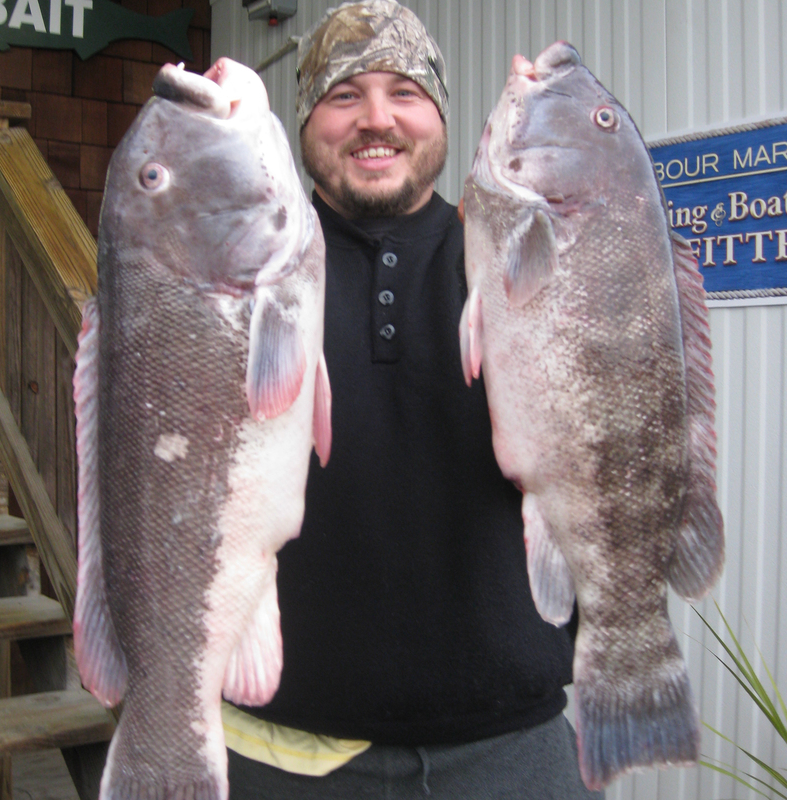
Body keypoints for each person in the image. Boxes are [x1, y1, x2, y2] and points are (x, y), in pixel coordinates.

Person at [224, 2, 603, 797]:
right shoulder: (238, 282)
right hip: (280, 752)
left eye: (404, 91)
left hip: (513, 749)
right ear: (302, 122)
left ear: (440, 113)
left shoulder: (524, 262)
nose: (376, 119)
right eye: (342, 96)